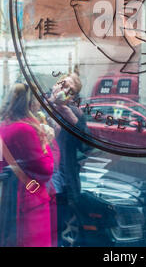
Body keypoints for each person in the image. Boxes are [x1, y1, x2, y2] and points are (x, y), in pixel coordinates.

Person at [0, 83, 55, 247]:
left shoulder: (5, 125)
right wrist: (46, 141)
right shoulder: (26, 129)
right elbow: (46, 168)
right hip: (30, 200)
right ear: (30, 102)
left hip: (12, 195)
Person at [48, 71, 87, 246]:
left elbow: (87, 145)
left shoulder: (75, 114)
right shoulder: (37, 105)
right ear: (57, 83)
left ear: (73, 98)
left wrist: (69, 114)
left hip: (63, 182)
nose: (65, 90)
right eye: (64, 85)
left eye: (70, 91)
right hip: (37, 180)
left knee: (60, 226)